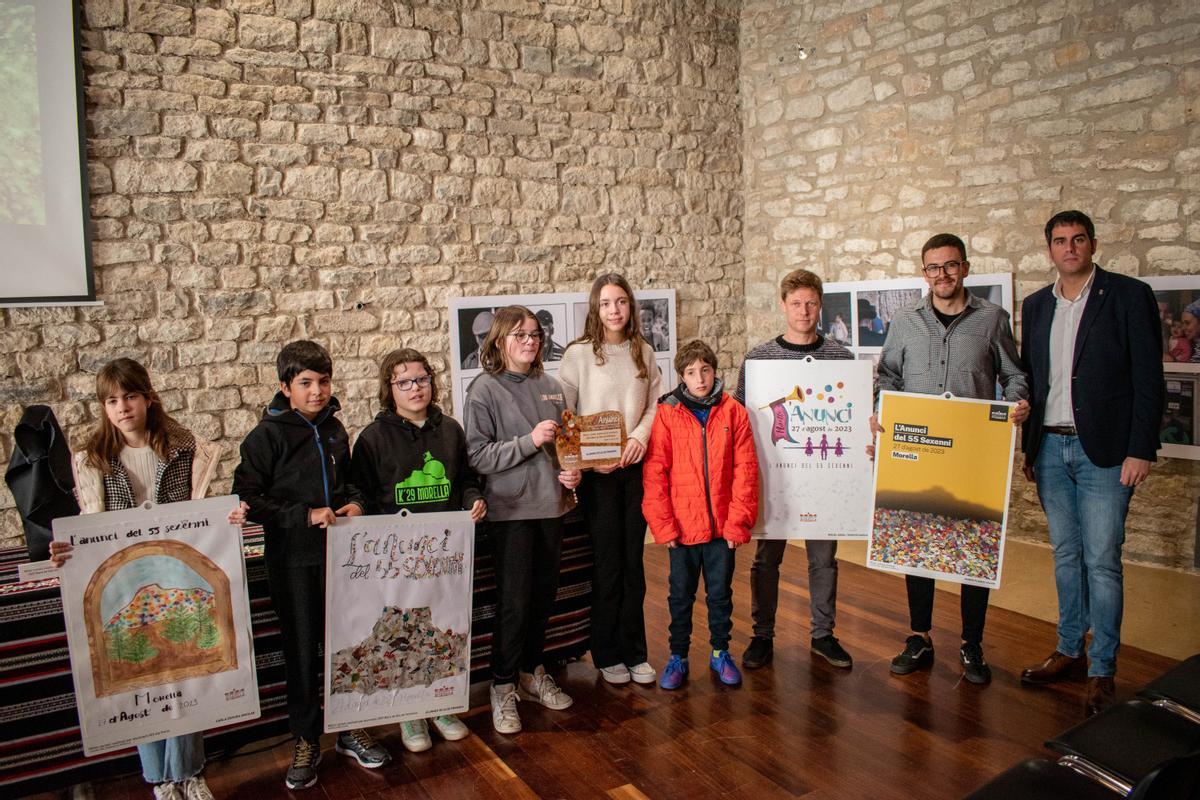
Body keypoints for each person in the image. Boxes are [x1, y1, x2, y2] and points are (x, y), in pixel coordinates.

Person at [48, 358, 246, 800]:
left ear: (148, 398)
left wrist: (227, 517)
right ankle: (159, 779)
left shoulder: (185, 449)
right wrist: (67, 550)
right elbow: (89, 523)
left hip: (174, 570)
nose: (122, 408)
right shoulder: (93, 458)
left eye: (130, 397)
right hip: (125, 577)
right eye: (112, 400)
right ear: (104, 406)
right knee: (137, 674)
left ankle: (189, 772)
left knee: (186, 665)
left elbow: (203, 513)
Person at [1018, 210, 1164, 716]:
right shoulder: (1036, 306)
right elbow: (1032, 384)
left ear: (1093, 244)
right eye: (1060, 241)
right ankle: (1068, 649)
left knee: (1102, 561)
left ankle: (1102, 668)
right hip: (1050, 450)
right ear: (1050, 250)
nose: (1070, 248)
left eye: (1078, 239)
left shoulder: (1127, 296)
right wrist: (1028, 449)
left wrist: (1141, 448)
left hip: (1105, 453)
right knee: (1065, 556)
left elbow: (1149, 379)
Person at [231, 340, 389, 790]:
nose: (317, 391)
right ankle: (305, 738)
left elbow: (354, 486)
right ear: (285, 387)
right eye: (305, 383)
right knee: (302, 650)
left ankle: (349, 727)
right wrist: (303, 516)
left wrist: (355, 506)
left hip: (343, 560)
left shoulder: (337, 430)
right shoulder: (265, 437)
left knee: (349, 644)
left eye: (323, 382)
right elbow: (248, 497)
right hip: (292, 563)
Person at [876, 233, 1030, 685]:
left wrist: (1018, 402)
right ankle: (919, 635)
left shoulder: (992, 319)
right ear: (923, 272)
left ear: (965, 267)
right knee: (917, 544)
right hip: (919, 452)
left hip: (972, 455)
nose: (941, 275)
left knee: (974, 547)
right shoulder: (904, 322)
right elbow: (886, 376)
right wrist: (881, 412)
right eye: (932, 268)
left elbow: (1014, 374)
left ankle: (972, 643)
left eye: (950, 265)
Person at [349, 347, 486, 752]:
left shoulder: (451, 430)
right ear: (388, 389)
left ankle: (440, 704)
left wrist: (472, 499)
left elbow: (466, 479)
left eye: (422, 379)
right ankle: (410, 712)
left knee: (441, 625)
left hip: (444, 551)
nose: (415, 388)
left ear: (432, 382)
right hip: (398, 556)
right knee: (403, 629)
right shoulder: (372, 439)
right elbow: (362, 493)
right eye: (404, 381)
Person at [463, 306, 582, 734]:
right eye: (519, 335)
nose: (529, 341)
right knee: (514, 603)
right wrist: (529, 442)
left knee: (543, 598)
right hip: (511, 513)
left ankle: (533, 672)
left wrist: (573, 471)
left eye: (534, 334)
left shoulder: (553, 386)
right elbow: (476, 455)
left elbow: (569, 447)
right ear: (499, 341)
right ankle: (502, 684)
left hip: (553, 506)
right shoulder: (483, 390)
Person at [735, 269, 858, 672]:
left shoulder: (841, 358)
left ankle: (823, 635)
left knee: (824, 560)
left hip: (825, 477)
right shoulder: (758, 358)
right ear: (783, 305)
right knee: (766, 559)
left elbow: (857, 414)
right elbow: (739, 416)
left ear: (819, 305)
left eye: (810, 303)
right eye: (795, 303)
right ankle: (761, 635)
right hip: (776, 479)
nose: (803, 311)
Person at [558, 273, 662, 686]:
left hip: (633, 470)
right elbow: (565, 416)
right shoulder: (579, 355)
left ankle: (636, 651)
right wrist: (586, 461)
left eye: (620, 302)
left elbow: (655, 405)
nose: (614, 310)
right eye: (605, 303)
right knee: (606, 567)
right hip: (596, 478)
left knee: (633, 564)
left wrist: (638, 438)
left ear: (630, 306)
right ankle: (606, 653)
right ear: (595, 309)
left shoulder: (645, 352)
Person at [643, 340, 758, 690]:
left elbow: (746, 469)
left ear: (714, 370)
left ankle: (720, 651)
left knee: (720, 595)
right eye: (691, 373)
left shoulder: (733, 411)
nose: (700, 378)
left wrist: (738, 522)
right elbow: (655, 471)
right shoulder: (667, 412)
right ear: (681, 376)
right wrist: (664, 526)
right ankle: (678, 655)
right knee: (680, 597)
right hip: (682, 527)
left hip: (723, 528)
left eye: (705, 370)